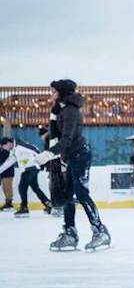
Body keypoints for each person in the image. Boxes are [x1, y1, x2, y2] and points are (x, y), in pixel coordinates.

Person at [36, 79, 111, 251]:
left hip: (80, 155)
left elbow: (67, 139)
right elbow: (57, 136)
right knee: (67, 195)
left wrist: (48, 154)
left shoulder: (70, 111)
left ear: (61, 93)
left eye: (53, 92)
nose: (51, 94)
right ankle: (70, 233)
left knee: (81, 193)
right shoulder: (59, 111)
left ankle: (100, 231)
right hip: (71, 156)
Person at [0, 137, 52, 217]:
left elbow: (35, 149)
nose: (4, 149)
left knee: (22, 187)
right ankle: (48, 203)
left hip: (32, 168)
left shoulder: (20, 146)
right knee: (35, 188)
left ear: (8, 143)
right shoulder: (14, 151)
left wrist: (40, 162)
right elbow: (9, 162)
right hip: (29, 169)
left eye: (3, 146)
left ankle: (24, 208)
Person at [39, 126, 65, 217]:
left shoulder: (48, 140)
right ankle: (58, 206)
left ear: (43, 135)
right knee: (56, 186)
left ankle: (58, 207)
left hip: (55, 167)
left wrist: (42, 164)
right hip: (56, 166)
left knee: (54, 187)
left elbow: (49, 154)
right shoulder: (53, 138)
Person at [0, 147, 15, 211]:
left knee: (8, 188)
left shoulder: (5, 152)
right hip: (3, 173)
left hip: (8, 173)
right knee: (4, 188)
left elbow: (4, 161)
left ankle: (9, 203)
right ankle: (8, 202)